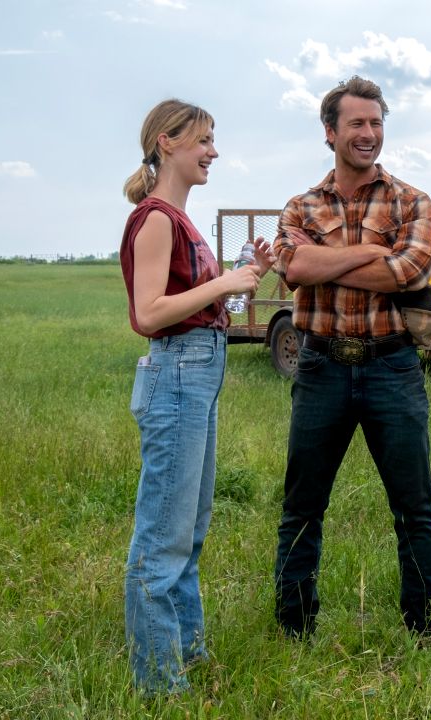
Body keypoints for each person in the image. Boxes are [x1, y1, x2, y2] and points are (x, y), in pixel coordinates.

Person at [271, 75, 431, 640]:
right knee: (303, 506)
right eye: (356, 124)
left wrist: (327, 259)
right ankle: (295, 625)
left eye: (376, 123)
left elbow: (410, 272)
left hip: (391, 367)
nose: (368, 134)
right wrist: (371, 250)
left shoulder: (412, 201)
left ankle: (425, 626)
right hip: (320, 367)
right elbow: (292, 270)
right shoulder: (300, 205)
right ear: (330, 132)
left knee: (414, 506)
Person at [119, 99, 270, 694]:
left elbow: (206, 308)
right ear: (166, 143)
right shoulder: (155, 217)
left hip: (198, 373)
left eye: (213, 140)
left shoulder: (182, 222)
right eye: (203, 140)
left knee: (190, 529)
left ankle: (188, 653)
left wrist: (240, 273)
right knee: (162, 537)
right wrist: (225, 282)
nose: (214, 152)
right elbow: (149, 313)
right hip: (178, 375)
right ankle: (159, 685)